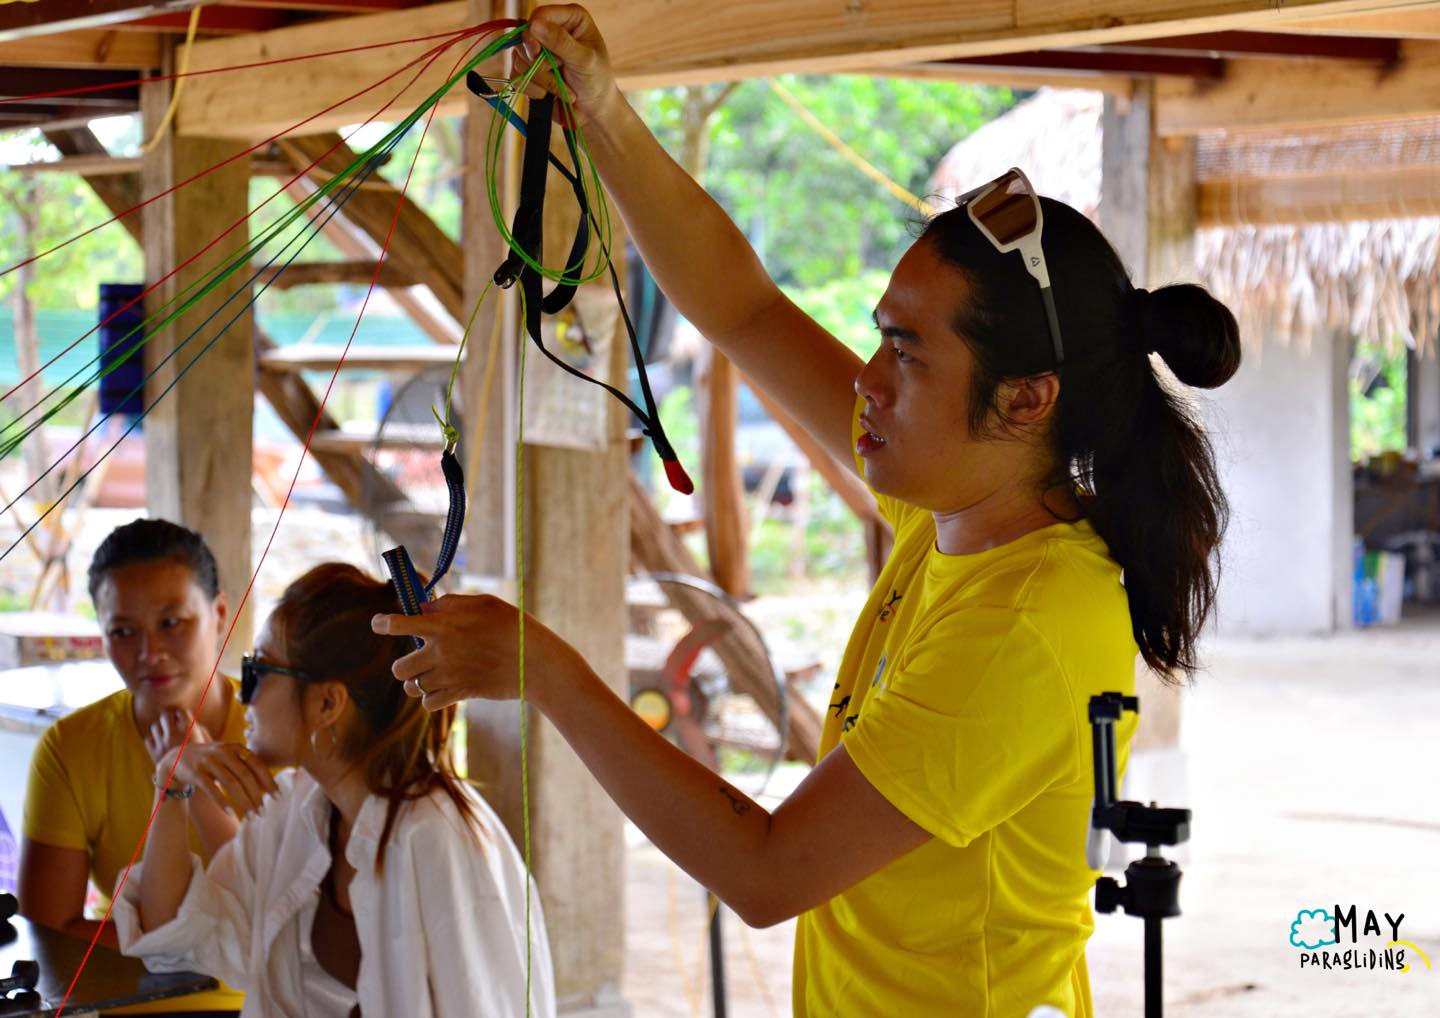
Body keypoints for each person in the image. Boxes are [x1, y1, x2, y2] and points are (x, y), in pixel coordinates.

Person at [372, 6, 1243, 1016]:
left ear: (1026, 398)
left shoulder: (1025, 618)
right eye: (882, 339)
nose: (868, 381)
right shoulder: (965, 507)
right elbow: (745, 309)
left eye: (908, 353)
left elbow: (767, 871)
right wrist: (603, 108)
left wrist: (549, 673)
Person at [113, 563, 555, 1018]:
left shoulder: (437, 839)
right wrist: (170, 784)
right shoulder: (298, 809)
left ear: (327, 704)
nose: (245, 696)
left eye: (258, 670)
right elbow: (170, 938)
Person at [20, 518, 253, 1015]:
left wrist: (166, 939)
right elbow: (49, 924)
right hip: (134, 999)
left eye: (172, 623)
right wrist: (200, 948)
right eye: (124, 631)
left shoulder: (280, 731)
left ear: (219, 614)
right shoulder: (71, 747)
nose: (150, 653)